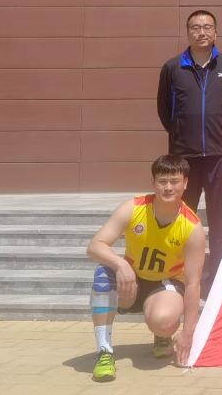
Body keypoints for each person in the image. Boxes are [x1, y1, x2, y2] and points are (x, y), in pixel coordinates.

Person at [86, 155, 205, 383]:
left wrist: (188, 333)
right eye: (162, 181)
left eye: (174, 181)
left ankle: (162, 335)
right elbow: (95, 246)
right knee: (103, 273)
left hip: (165, 283)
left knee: (163, 320)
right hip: (130, 281)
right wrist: (121, 264)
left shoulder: (192, 227)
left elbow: (193, 283)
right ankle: (104, 352)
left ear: (185, 183)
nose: (168, 187)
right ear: (153, 183)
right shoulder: (133, 208)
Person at [156, 10, 222, 292]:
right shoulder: (172, 67)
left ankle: (219, 278)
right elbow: (165, 110)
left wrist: (218, 130)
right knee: (182, 218)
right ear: (188, 32)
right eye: (196, 27)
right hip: (184, 159)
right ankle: (178, 275)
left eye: (207, 27)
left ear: (215, 32)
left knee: (221, 218)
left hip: (219, 156)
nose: (202, 32)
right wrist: (181, 136)